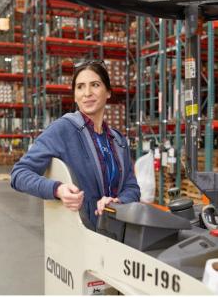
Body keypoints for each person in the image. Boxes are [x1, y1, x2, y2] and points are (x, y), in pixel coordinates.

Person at [11, 60, 140, 230]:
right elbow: (19, 174)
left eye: (95, 85)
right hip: (81, 237)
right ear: (74, 95)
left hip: (118, 234)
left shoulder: (117, 140)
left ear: (108, 92)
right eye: (80, 87)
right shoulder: (63, 130)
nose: (87, 93)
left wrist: (118, 202)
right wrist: (57, 189)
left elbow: (132, 187)